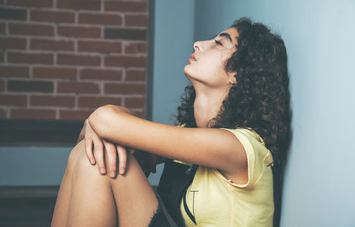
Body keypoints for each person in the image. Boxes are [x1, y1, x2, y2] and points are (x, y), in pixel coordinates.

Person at [51, 17, 291, 227]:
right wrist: (98, 126)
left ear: (237, 73)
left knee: (98, 159)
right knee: (90, 153)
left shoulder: (239, 147)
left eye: (218, 43)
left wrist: (100, 121)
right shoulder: (191, 134)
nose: (199, 44)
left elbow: (107, 121)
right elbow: (107, 126)